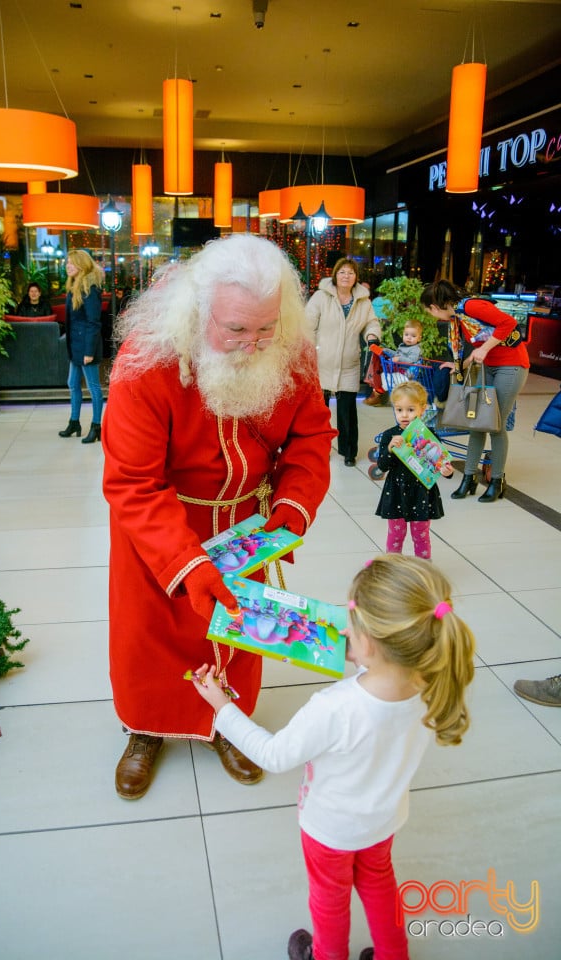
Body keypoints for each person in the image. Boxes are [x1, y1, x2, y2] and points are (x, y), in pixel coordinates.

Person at [102, 233, 335, 800]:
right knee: (150, 635)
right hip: (159, 526)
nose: (253, 344)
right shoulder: (146, 359)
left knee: (235, 634)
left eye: (264, 328)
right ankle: (145, 728)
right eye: (235, 330)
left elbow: (311, 438)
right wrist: (184, 561)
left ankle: (225, 724)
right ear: (197, 310)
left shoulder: (290, 351)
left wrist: (291, 507)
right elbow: (132, 480)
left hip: (245, 525)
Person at [189, 553, 476, 960]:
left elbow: (273, 755)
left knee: (330, 901)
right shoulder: (430, 682)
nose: (343, 628)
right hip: (383, 819)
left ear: (372, 644)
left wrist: (222, 706)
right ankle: (395, 954)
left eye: (351, 623)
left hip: (330, 831)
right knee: (379, 884)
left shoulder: (334, 708)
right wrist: (354, 654)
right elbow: (378, 676)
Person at [420, 280, 530, 502]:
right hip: (489, 365)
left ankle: (497, 481)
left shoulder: (470, 307)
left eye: (429, 311)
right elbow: (477, 348)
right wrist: (460, 365)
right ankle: (469, 478)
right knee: (476, 423)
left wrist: (484, 349)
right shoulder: (459, 318)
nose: (432, 316)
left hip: (512, 365)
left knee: (496, 425)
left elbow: (507, 323)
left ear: (434, 306)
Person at [305, 258, 381, 466]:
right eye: (342, 272)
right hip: (321, 362)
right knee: (319, 412)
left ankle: (349, 452)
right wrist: (308, 352)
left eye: (350, 272)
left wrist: (372, 336)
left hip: (349, 363)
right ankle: (319, 449)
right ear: (335, 275)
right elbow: (308, 326)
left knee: (347, 411)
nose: (346, 276)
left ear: (356, 278)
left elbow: (372, 323)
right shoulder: (321, 297)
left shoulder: (363, 302)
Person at [375, 381, 453, 559]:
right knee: (395, 534)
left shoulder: (428, 435)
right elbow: (382, 466)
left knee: (421, 535)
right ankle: (393, 566)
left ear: (422, 409)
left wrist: (446, 471)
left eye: (410, 410)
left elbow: (441, 464)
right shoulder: (389, 435)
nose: (404, 415)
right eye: (399, 410)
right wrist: (389, 449)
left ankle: (423, 568)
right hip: (396, 491)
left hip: (421, 493)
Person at [58, 249, 105, 444]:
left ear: (82, 265)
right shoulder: (74, 286)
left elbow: (94, 322)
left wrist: (88, 351)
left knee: (94, 387)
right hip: (75, 345)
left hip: (86, 346)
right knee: (72, 383)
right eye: (67, 262)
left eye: (72, 262)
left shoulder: (90, 288)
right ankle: (74, 422)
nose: (68, 265)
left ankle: (96, 426)